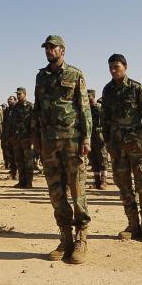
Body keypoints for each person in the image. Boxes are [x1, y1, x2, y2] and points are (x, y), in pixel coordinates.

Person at [32, 35, 92, 264]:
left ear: (62, 50)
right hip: (49, 143)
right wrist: (35, 137)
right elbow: (37, 108)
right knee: (56, 193)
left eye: (52, 47)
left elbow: (84, 108)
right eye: (46, 48)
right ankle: (65, 237)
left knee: (77, 190)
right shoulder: (41, 76)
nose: (48, 51)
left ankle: (81, 238)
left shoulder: (75, 74)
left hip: (72, 142)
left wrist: (86, 138)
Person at [102, 55, 142, 242]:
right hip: (118, 147)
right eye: (110, 67)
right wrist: (108, 143)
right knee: (124, 185)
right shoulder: (107, 90)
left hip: (137, 145)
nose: (113, 70)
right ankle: (133, 224)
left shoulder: (136, 88)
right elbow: (105, 120)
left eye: (116, 66)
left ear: (125, 67)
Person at [7, 87, 34, 187]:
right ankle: (21, 182)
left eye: (20, 94)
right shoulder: (15, 107)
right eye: (17, 94)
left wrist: (32, 137)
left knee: (28, 162)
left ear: (24, 94)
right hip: (16, 138)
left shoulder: (30, 106)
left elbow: (34, 123)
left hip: (27, 138)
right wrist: (10, 136)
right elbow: (11, 122)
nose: (18, 96)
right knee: (19, 161)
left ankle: (29, 183)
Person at [87, 90, 108, 189]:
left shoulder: (100, 108)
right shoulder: (86, 109)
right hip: (90, 137)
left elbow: (106, 122)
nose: (87, 97)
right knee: (93, 159)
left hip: (100, 137)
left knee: (102, 158)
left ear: (93, 96)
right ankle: (97, 181)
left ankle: (104, 181)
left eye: (89, 95)